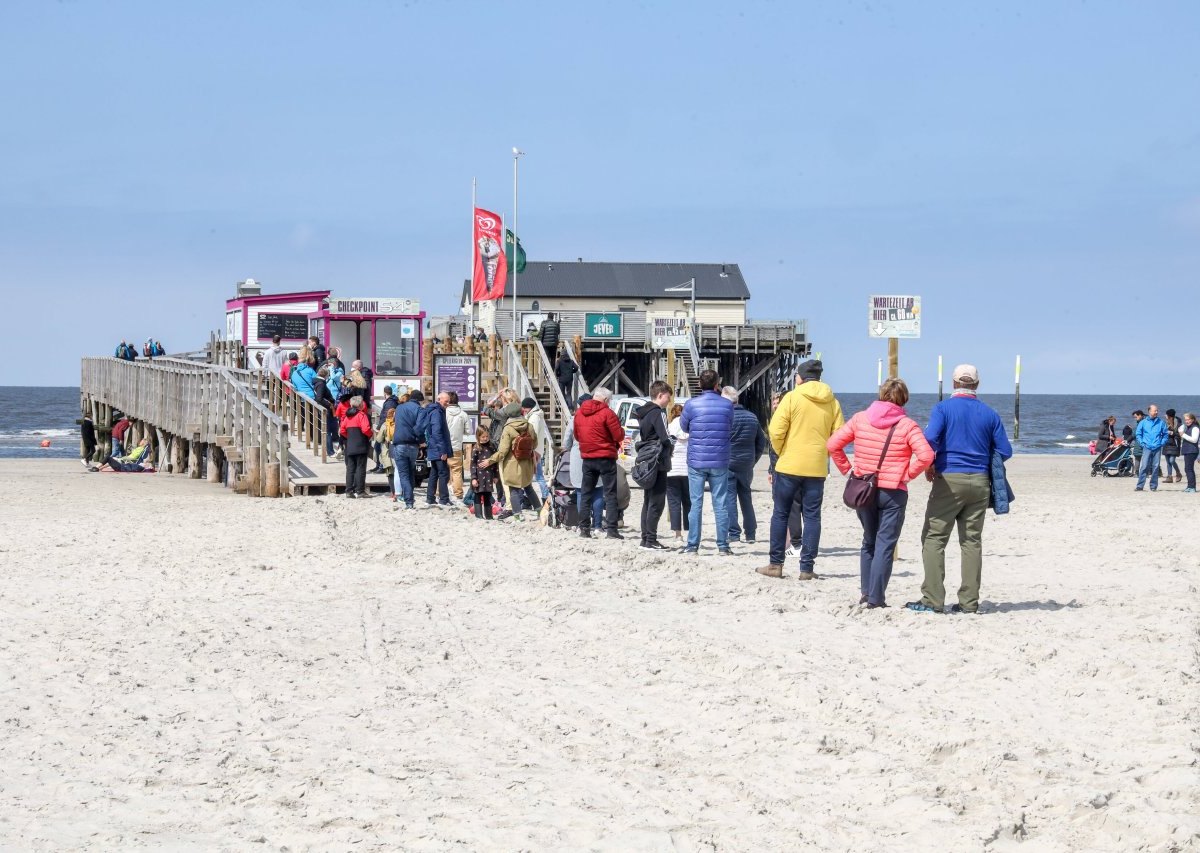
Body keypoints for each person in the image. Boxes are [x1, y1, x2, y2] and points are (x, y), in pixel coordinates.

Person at [906, 364, 1012, 615]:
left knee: (933, 538)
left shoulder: (942, 408)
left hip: (949, 479)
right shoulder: (990, 413)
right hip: (980, 481)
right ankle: (969, 602)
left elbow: (928, 441)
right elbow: (1005, 450)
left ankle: (933, 599)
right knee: (971, 541)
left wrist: (929, 465)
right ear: (976, 385)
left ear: (954, 384)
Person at [826, 379, 935, 608]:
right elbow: (926, 456)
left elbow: (833, 445)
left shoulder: (860, 418)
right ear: (903, 398)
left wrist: (848, 470)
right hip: (893, 491)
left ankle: (866, 594)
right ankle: (876, 599)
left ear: (881, 394)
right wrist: (906, 474)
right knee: (885, 544)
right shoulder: (907, 425)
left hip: (864, 488)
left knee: (869, 541)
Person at [764, 359, 844, 578]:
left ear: (800, 377)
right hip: (816, 468)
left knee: (781, 514)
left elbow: (775, 431)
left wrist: (781, 452)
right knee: (812, 517)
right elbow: (839, 435)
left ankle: (775, 565)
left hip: (789, 464)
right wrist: (823, 453)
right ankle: (807, 568)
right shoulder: (832, 402)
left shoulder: (791, 397)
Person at [678, 370, 735, 555]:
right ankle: (723, 546)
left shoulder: (691, 404)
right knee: (720, 503)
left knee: (696, 503)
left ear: (700, 384)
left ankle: (692, 545)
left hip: (697, 459)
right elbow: (729, 426)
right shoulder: (727, 405)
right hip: (720, 459)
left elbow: (684, 427)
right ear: (717, 384)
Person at [573, 387, 626, 539]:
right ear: (605, 400)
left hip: (588, 457)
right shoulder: (607, 413)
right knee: (610, 494)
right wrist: (620, 431)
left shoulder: (579, 413)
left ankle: (584, 529)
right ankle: (611, 530)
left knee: (585, 494)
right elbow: (618, 435)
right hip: (605, 457)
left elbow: (577, 436)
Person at [723, 386, 768, 545]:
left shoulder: (725, 417)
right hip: (746, 463)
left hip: (728, 462)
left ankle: (734, 533)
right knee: (746, 497)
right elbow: (761, 442)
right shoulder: (752, 417)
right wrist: (753, 460)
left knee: (730, 498)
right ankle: (750, 533)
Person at [634, 381, 674, 550]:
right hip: (658, 460)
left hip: (646, 458)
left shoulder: (643, 413)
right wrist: (674, 443)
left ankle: (645, 538)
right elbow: (665, 438)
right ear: (660, 395)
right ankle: (651, 539)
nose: (669, 401)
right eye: (667, 397)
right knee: (657, 501)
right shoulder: (658, 413)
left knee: (648, 500)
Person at [766, 391, 803, 557]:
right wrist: (770, 469)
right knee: (782, 506)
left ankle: (793, 542)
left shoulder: (786, 419)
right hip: (778, 468)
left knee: (788, 507)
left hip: (785, 468)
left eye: (777, 401)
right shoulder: (777, 418)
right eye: (773, 401)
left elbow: (778, 447)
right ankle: (790, 541)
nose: (774, 404)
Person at [484, 408, 538, 520]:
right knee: (528, 487)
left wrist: (490, 460)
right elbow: (535, 444)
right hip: (527, 462)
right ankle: (539, 510)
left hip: (512, 463)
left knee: (513, 489)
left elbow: (503, 451)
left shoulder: (508, 428)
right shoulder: (529, 426)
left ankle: (518, 515)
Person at [562, 394, 605, 530]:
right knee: (598, 490)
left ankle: (583, 525)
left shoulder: (575, 419)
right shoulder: (601, 416)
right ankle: (597, 525)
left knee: (581, 491)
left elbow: (567, 442)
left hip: (579, 458)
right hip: (598, 455)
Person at [390, 389, 422, 509]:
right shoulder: (419, 409)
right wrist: (419, 438)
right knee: (410, 473)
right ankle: (409, 499)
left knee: (403, 474)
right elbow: (420, 427)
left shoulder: (399, 408)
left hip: (399, 443)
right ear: (419, 400)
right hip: (413, 444)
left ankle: (409, 501)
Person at [665, 402, 691, 542]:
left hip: (672, 469)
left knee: (674, 503)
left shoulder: (669, 428)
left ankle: (678, 534)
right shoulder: (690, 428)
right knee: (688, 502)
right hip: (687, 470)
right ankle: (690, 531)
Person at [339, 395, 373, 499]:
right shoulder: (361, 415)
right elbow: (366, 429)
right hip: (361, 443)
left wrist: (349, 437)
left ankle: (349, 491)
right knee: (360, 468)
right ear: (360, 404)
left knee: (350, 468)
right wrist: (370, 435)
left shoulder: (347, 416)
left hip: (350, 444)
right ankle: (360, 491)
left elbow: (342, 430)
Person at [424, 392, 453, 507]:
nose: (448, 403)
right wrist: (443, 451)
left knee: (434, 473)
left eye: (449, 401)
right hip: (438, 448)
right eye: (446, 401)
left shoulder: (436, 411)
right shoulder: (437, 412)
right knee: (443, 473)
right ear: (439, 399)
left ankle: (430, 498)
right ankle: (444, 498)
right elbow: (437, 432)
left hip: (433, 447)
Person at [521, 397, 551, 498]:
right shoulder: (535, 415)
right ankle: (530, 498)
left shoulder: (534, 418)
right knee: (531, 476)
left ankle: (545, 497)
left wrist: (531, 450)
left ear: (529, 407)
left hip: (534, 451)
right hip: (536, 449)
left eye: (524, 408)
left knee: (538, 477)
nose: (523, 410)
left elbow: (532, 435)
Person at [1134, 404, 1168, 492]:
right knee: (1144, 466)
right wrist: (1142, 443)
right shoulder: (1143, 422)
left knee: (1155, 467)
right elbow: (1138, 433)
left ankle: (1153, 486)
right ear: (1149, 411)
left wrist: (1162, 443)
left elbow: (1165, 434)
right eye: (1154, 410)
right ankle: (1140, 486)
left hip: (1157, 448)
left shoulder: (1161, 422)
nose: (1156, 412)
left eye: (1157, 410)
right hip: (1146, 447)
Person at [444, 391, 469, 499]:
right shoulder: (463, 414)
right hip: (457, 446)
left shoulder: (443, 412)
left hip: (444, 446)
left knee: (441, 471)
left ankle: (439, 491)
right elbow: (468, 431)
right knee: (457, 471)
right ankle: (458, 494)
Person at [470, 426, 498, 519]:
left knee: (487, 495)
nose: (485, 438)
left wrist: (495, 475)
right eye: (483, 437)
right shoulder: (476, 448)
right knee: (477, 495)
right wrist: (473, 478)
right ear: (478, 437)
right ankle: (478, 515)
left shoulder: (492, 446)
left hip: (489, 476)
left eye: (487, 436)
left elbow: (495, 462)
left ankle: (489, 516)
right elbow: (473, 463)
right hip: (479, 476)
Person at [372, 385, 400, 473]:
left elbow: (385, 416)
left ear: (384, 393)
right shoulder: (392, 401)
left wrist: (379, 428)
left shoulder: (389, 402)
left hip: (386, 427)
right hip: (388, 426)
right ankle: (379, 465)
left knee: (379, 446)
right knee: (378, 446)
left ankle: (381, 466)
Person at [312, 365, 338, 456]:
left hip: (326, 409)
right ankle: (330, 452)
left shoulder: (317, 382)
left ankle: (334, 448)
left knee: (330, 430)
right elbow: (319, 398)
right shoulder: (321, 384)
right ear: (326, 375)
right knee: (328, 432)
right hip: (326, 410)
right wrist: (329, 405)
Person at [1179, 413, 1199, 493]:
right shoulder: (1189, 427)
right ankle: (1190, 486)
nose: (1186, 421)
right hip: (1188, 450)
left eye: (1188, 419)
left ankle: (1192, 487)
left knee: (1189, 469)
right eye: (1186, 420)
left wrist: (1183, 435)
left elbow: (1194, 440)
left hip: (1192, 450)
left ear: (1193, 419)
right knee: (1188, 469)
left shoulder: (1195, 428)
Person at [1162, 409, 1183, 484]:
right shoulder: (1165, 423)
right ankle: (1169, 477)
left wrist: (1172, 433)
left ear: (1169, 415)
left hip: (1175, 444)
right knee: (1168, 462)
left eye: (1167, 415)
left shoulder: (1178, 423)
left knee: (1172, 461)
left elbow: (1180, 435)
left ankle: (1178, 473)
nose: (1166, 416)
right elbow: (1162, 432)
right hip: (1166, 444)